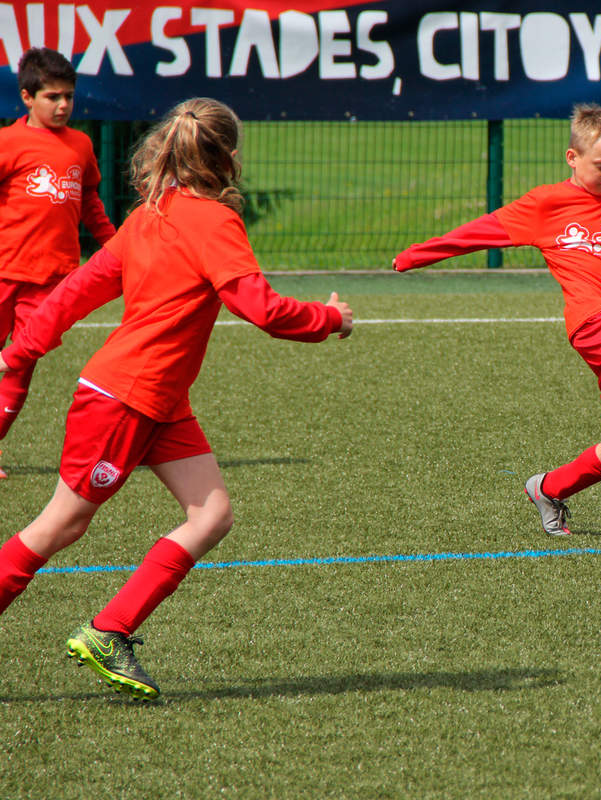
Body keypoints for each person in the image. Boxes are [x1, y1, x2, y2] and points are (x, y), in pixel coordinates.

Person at [0, 98, 354, 701]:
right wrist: (330, 317)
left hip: (160, 400)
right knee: (62, 523)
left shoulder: (152, 214)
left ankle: (110, 630)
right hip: (125, 397)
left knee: (211, 515)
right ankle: (107, 630)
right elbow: (261, 309)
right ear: (230, 157)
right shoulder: (211, 222)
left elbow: (73, 293)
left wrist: (17, 351)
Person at [392, 103, 601, 536]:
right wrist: (411, 257)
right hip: (593, 321)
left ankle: (549, 488)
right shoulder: (546, 204)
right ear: (572, 158)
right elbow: (476, 232)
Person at [0, 48, 117, 479]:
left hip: (50, 283)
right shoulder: (7, 143)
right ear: (28, 97)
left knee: (18, 365)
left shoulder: (81, 145)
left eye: (69, 96)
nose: (63, 105)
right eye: (53, 96)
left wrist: (118, 246)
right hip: (3, 274)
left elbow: (90, 204)